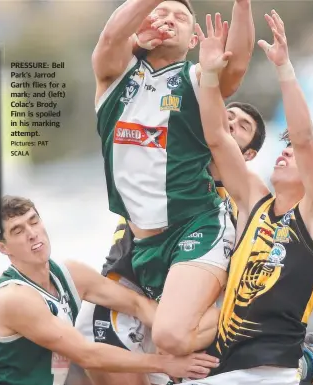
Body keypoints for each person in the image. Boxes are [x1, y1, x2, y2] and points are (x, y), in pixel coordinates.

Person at [145, 10, 313, 385]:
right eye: (281, 148)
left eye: (299, 156)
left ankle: (305, 357)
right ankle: (310, 355)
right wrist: (209, 77)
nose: (286, 152)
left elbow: (304, 139)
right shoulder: (254, 201)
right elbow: (217, 138)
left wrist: (284, 66)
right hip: (218, 362)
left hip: (269, 377)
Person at [76, 98, 266, 385]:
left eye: (242, 126)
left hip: (166, 327)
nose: (231, 123)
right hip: (121, 310)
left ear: (249, 154)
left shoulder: (244, 209)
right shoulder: (171, 175)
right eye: (228, 115)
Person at [93, 0, 255, 361]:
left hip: (195, 225)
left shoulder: (200, 79)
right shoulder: (115, 72)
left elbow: (238, 60)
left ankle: (265, 308)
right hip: (146, 245)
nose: (169, 19)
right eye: (159, 12)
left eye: (180, 17)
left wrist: (242, 5)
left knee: (171, 337)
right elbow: (111, 36)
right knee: (170, 352)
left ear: (194, 38)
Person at [0, 195, 218, 385]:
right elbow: (87, 355)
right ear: (3, 248)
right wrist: (166, 364)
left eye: (34, 221)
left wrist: (181, 333)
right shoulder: (14, 299)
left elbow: (136, 304)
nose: (32, 233)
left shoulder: (70, 274)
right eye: (18, 230)